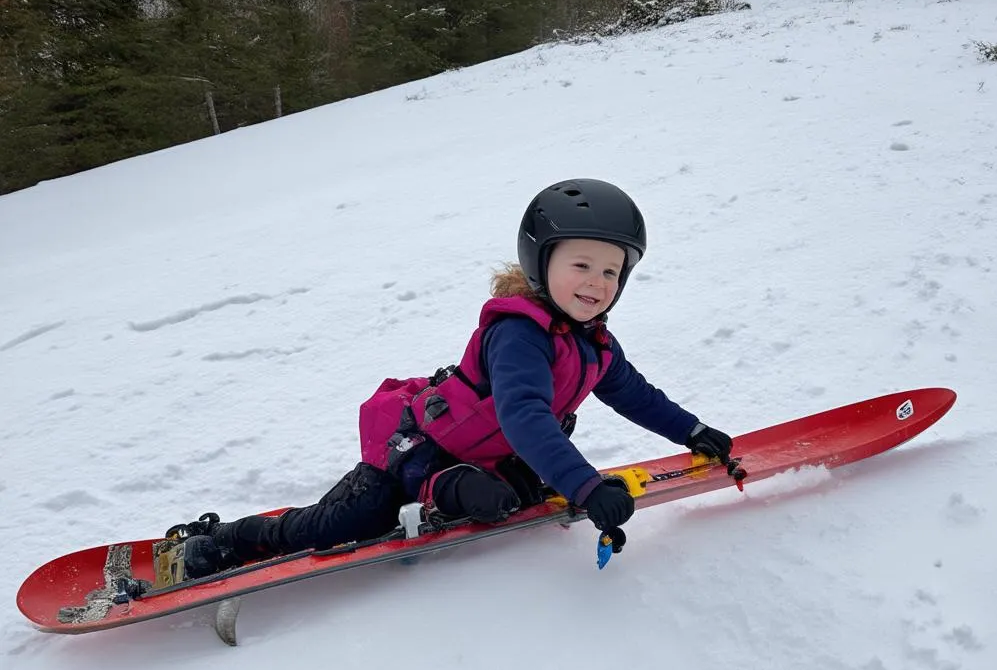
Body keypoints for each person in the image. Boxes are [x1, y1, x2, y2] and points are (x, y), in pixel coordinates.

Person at [175, 178, 734, 579]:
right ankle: (222, 542)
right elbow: (524, 418)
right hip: (417, 454)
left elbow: (633, 394)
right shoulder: (520, 336)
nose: (597, 282)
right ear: (543, 265)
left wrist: (692, 432)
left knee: (502, 497)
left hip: (484, 461)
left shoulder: (592, 342)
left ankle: (444, 499)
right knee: (346, 522)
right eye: (581, 265)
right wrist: (587, 488)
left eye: (611, 270)